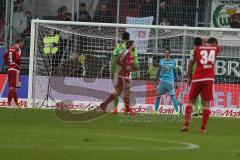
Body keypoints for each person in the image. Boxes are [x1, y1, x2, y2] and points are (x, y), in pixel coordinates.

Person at [181, 37, 221, 133]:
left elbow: (191, 64)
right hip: (209, 79)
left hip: (197, 77)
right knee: (207, 103)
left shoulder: (196, 50)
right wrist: (207, 41)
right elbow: (217, 46)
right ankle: (203, 128)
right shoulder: (215, 49)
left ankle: (186, 124)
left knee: (190, 101)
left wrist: (189, 76)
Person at [99, 41, 139, 115]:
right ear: (130, 45)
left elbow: (129, 65)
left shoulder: (131, 54)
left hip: (125, 76)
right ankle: (127, 109)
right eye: (134, 44)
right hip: (123, 76)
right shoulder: (126, 52)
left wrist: (134, 68)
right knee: (127, 92)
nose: (135, 46)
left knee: (117, 92)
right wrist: (126, 66)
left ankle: (104, 104)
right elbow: (118, 61)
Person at [111, 32, 140, 114]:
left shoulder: (118, 46)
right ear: (129, 37)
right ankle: (125, 109)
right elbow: (135, 60)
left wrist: (111, 71)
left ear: (122, 37)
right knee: (126, 91)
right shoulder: (131, 48)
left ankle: (115, 108)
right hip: (126, 72)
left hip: (117, 71)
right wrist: (138, 72)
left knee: (118, 90)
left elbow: (114, 60)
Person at [153, 48, 180, 114]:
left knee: (173, 96)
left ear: (170, 54)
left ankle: (177, 111)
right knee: (158, 96)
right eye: (165, 52)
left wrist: (177, 82)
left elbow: (175, 72)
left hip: (170, 81)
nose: (166, 54)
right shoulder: (161, 61)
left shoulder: (173, 62)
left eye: (168, 53)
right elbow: (158, 70)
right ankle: (155, 110)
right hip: (162, 81)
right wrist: (156, 79)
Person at [3, 38, 24, 107]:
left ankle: (17, 104)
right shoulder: (18, 50)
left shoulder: (10, 48)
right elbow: (18, 58)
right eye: (22, 43)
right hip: (15, 70)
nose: (22, 44)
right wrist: (17, 64)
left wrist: (9, 63)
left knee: (13, 88)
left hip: (10, 69)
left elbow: (4, 56)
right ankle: (8, 104)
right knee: (12, 88)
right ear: (20, 43)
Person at [190, 37, 204, 116]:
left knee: (194, 94)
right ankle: (201, 110)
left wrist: (189, 75)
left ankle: (195, 111)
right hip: (202, 75)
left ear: (194, 44)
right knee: (202, 93)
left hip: (195, 75)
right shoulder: (205, 51)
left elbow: (191, 63)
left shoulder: (192, 51)